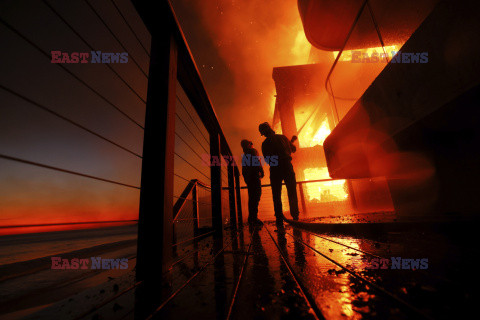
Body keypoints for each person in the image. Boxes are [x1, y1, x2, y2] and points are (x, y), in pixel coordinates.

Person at [258, 122, 299, 226]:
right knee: (292, 191)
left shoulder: (265, 144)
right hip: (287, 166)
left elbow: (267, 160)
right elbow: (293, 149)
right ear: (270, 129)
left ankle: (279, 219)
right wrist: (291, 142)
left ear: (264, 133)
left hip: (275, 169)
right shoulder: (282, 137)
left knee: (276, 195)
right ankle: (295, 217)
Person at [241, 139, 264, 226]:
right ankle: (254, 218)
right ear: (249, 144)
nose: (252, 145)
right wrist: (261, 171)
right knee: (256, 196)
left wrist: (246, 179)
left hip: (249, 179)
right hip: (254, 177)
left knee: (252, 198)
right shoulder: (253, 151)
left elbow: (244, 169)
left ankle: (252, 218)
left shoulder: (245, 155)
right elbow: (256, 161)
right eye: (251, 143)